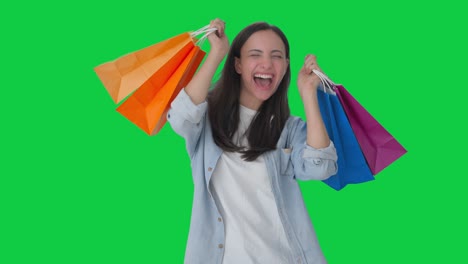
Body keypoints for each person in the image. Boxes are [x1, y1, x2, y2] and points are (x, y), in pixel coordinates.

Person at [167, 18, 338, 264]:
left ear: (286, 66)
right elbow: (180, 118)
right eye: (255, 54)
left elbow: (320, 168)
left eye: (277, 56)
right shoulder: (208, 118)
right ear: (238, 64)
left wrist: (308, 93)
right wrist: (217, 53)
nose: (267, 63)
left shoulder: (289, 128)